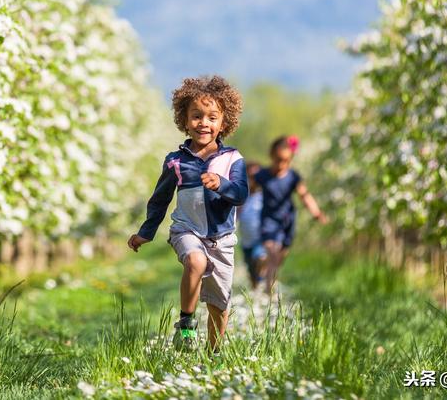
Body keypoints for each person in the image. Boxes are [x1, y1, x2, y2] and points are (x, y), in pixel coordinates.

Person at [127, 75, 248, 353]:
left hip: (222, 238)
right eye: (196, 116)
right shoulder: (176, 161)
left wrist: (222, 184)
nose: (203, 123)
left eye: (211, 117)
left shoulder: (232, 159)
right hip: (187, 231)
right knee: (196, 261)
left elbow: (241, 194)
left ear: (223, 122)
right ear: (184, 119)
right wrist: (145, 233)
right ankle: (186, 324)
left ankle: (214, 354)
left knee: (219, 303)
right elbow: (160, 200)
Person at [254, 135, 328, 294]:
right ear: (272, 156)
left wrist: (316, 212)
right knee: (273, 253)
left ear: (291, 159)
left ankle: (262, 263)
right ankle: (269, 294)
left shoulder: (293, 177)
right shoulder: (263, 175)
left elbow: (304, 195)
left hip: (287, 221)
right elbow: (248, 191)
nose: (281, 164)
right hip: (268, 220)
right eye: (278, 159)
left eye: (286, 161)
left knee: (279, 258)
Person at [237, 162, 267, 289]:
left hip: (261, 238)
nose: (253, 180)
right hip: (246, 240)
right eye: (250, 176)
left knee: (260, 257)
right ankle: (255, 291)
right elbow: (236, 214)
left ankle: (264, 279)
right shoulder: (243, 196)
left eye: (256, 176)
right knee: (251, 271)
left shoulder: (264, 196)